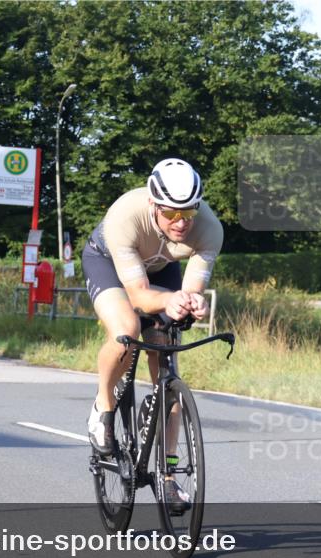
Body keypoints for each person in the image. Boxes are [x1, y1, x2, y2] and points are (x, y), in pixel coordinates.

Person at [82, 158, 223, 513]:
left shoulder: (209, 229)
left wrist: (191, 303)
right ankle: (103, 407)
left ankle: (169, 478)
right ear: (153, 205)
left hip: (162, 269)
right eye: (172, 214)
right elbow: (138, 296)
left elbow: (189, 288)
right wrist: (168, 300)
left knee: (167, 368)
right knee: (127, 330)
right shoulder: (124, 218)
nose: (182, 223)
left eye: (188, 213)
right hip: (109, 265)